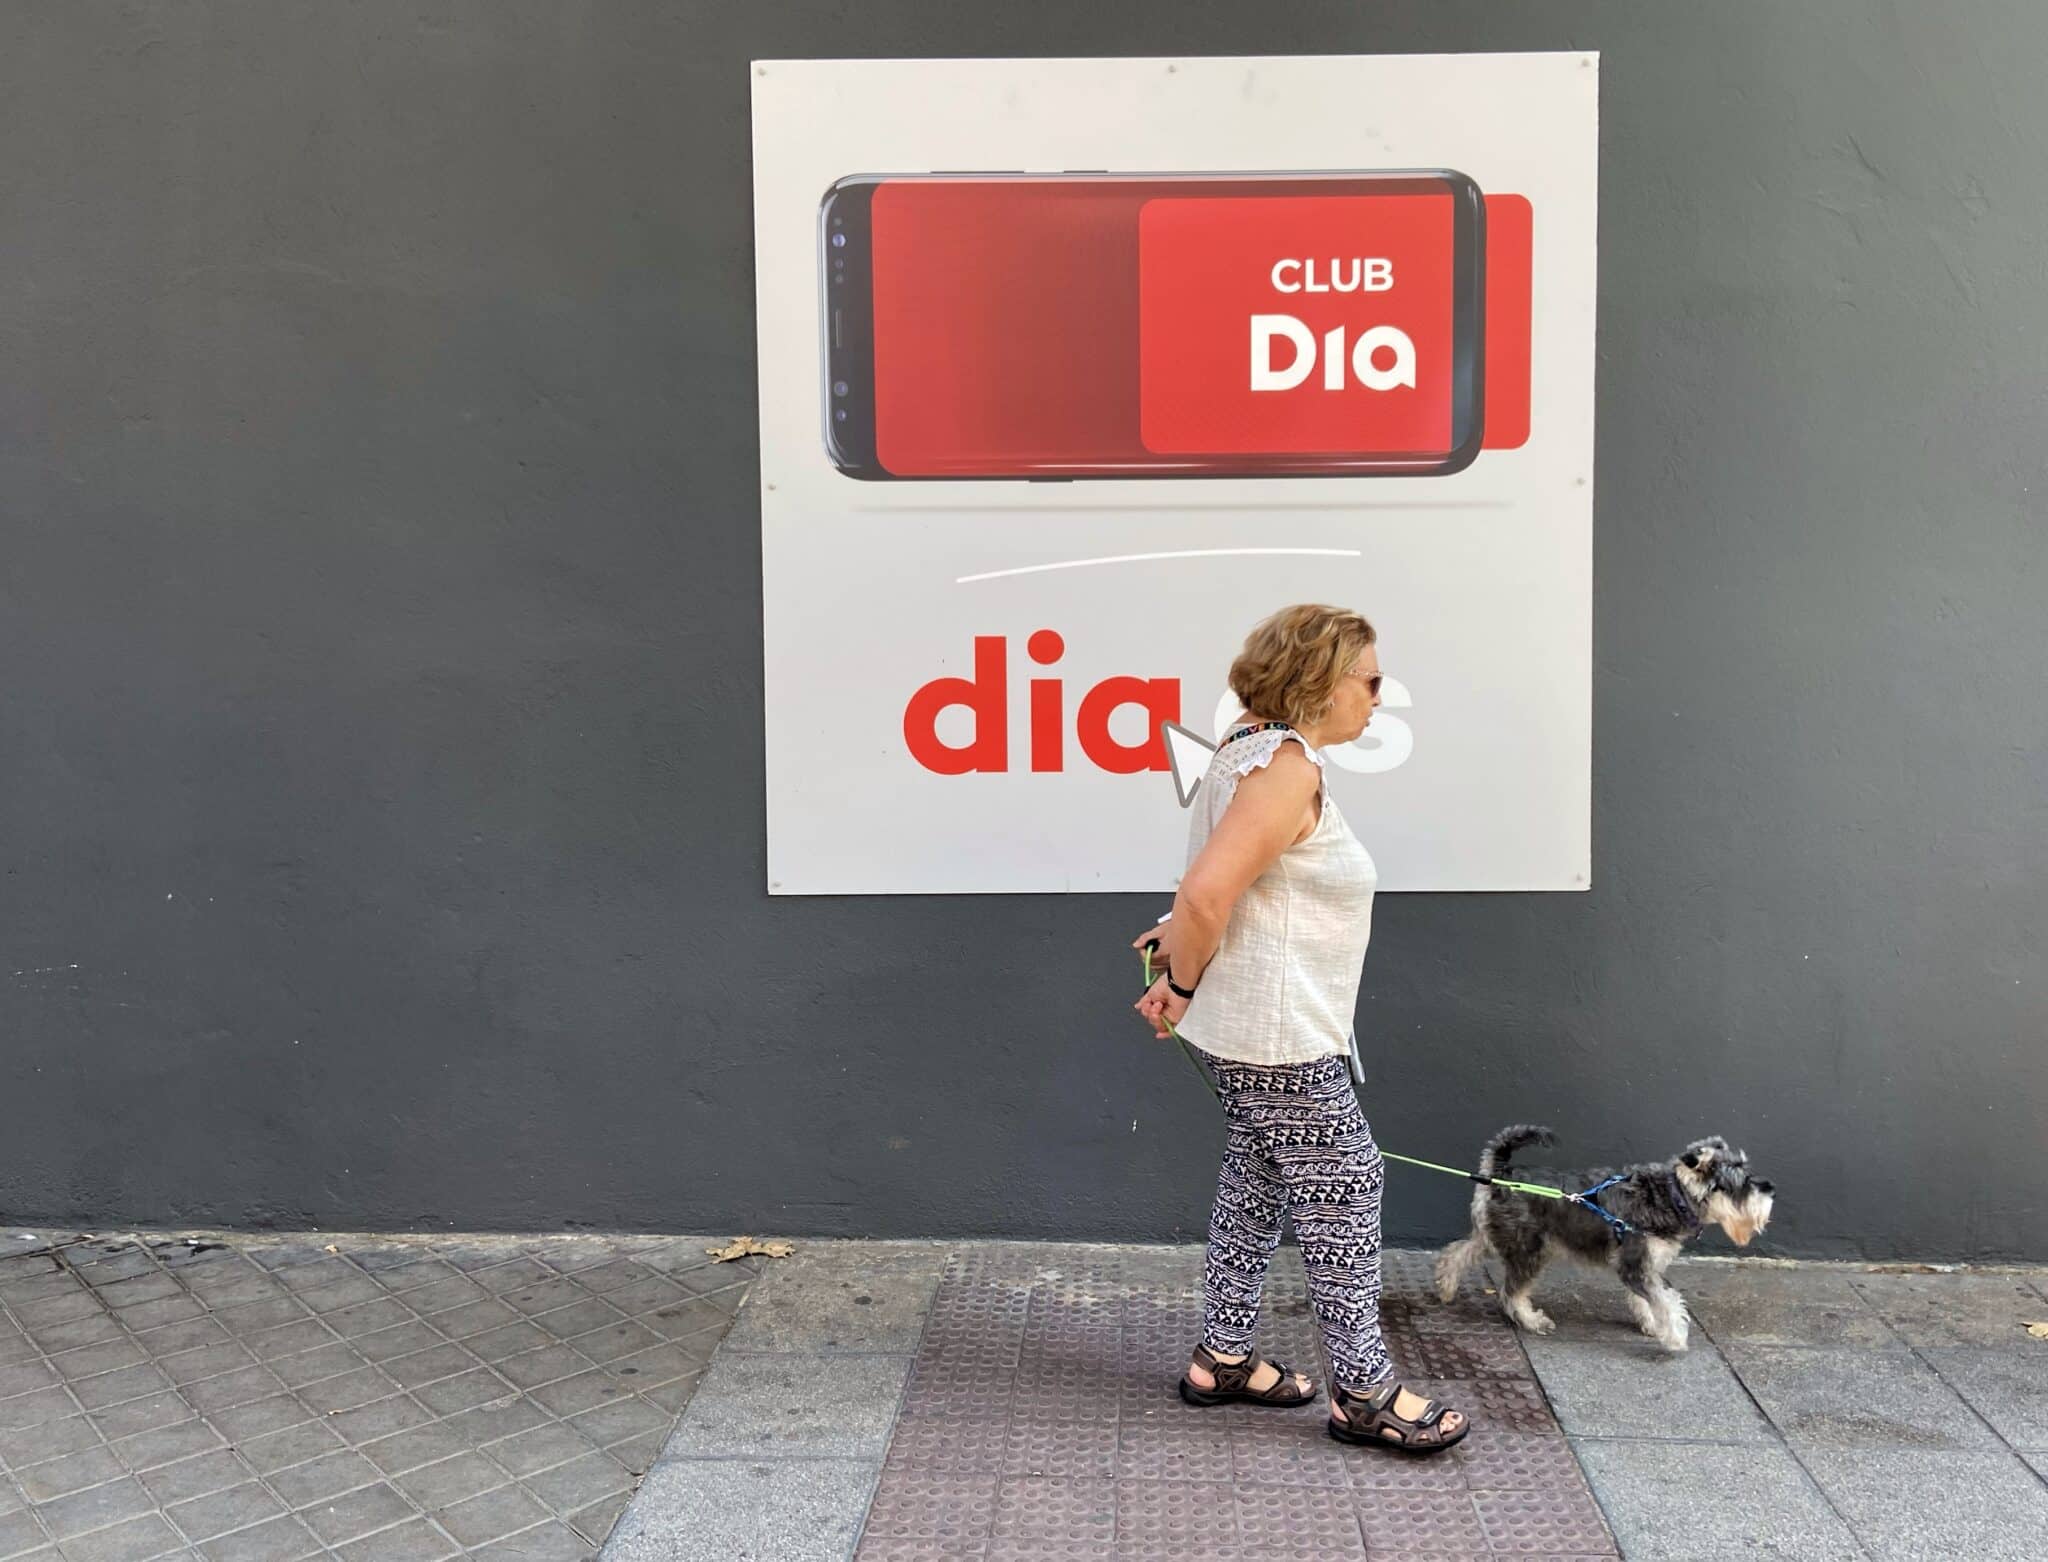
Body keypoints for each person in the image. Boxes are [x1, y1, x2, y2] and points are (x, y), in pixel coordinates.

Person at [1133, 603, 1468, 1453]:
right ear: (1319, 681)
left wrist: (1179, 968)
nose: (1379, 697)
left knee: (1257, 1175)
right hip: (1279, 1034)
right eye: (1370, 680)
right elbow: (1208, 895)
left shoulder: (1246, 751)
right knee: (1347, 1188)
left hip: (1252, 1023)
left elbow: (1220, 893)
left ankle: (1224, 1356)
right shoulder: (1284, 767)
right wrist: (1178, 972)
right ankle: (1364, 1392)